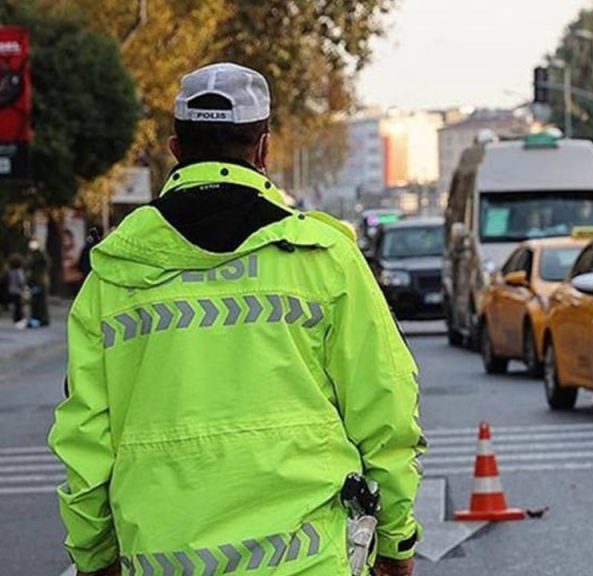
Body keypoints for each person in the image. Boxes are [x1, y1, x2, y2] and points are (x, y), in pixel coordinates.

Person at [49, 63, 423, 576]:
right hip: (307, 563)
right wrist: (397, 542)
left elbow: (86, 437)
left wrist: (94, 556)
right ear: (263, 147)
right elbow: (385, 410)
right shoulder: (324, 258)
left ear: (175, 148)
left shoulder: (114, 275)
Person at [26, 238, 50, 327]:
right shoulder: (31, 256)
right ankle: (37, 319)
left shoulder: (40, 256)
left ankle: (42, 319)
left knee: (41, 302)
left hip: (40, 282)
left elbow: (45, 264)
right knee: (35, 302)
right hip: (34, 281)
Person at [6, 253, 25, 326]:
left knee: (15, 305)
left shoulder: (10, 271)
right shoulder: (19, 271)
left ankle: (15, 318)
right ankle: (19, 318)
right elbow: (21, 281)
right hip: (18, 290)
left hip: (11, 290)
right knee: (19, 306)